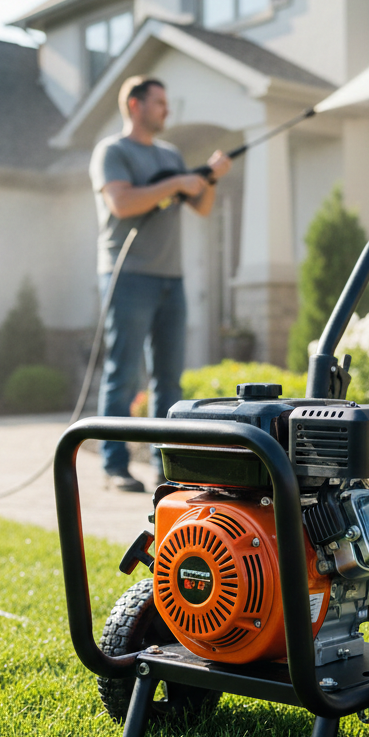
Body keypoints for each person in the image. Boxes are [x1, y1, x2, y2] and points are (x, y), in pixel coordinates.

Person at [89, 76, 231, 492]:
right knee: (124, 372)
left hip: (172, 278)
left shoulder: (170, 153)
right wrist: (176, 183)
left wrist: (211, 178)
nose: (167, 110)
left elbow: (201, 206)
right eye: (159, 103)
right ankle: (114, 467)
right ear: (135, 105)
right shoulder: (112, 151)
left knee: (169, 379)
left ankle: (165, 467)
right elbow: (121, 202)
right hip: (127, 275)